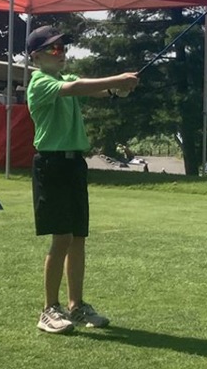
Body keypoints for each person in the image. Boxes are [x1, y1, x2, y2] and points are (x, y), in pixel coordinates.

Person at [23, 24, 138, 334]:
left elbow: (91, 89)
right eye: (54, 48)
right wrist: (117, 80)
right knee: (61, 238)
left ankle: (76, 306)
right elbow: (77, 88)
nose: (61, 53)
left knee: (77, 238)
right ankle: (49, 309)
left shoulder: (66, 78)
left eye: (63, 48)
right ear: (36, 56)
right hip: (51, 164)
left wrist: (117, 89)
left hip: (74, 164)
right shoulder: (40, 82)